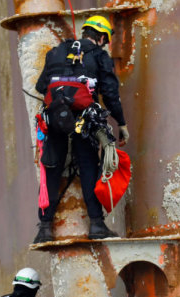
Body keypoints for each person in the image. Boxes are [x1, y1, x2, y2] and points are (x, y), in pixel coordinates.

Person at [33, 15, 129, 244]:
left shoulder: (55, 52)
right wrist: (121, 123)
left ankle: (44, 228)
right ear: (103, 37)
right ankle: (96, 224)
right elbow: (110, 93)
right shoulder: (99, 56)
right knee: (88, 166)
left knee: (52, 169)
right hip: (84, 120)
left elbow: (40, 86)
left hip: (56, 116)